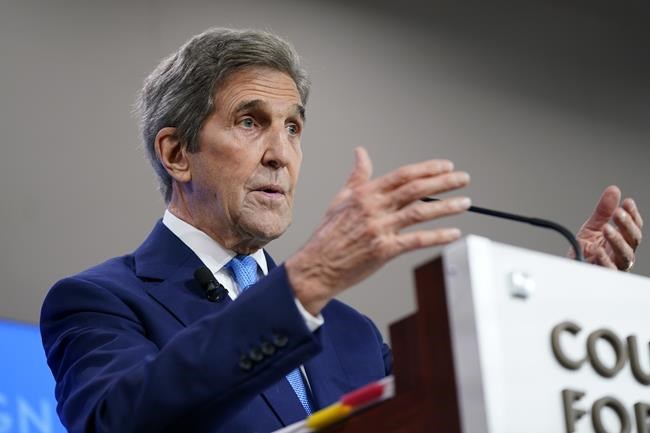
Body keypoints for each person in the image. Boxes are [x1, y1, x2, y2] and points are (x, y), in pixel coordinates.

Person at [40, 28, 643, 433]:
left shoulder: (352, 334)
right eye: (250, 122)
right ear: (177, 153)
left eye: (293, 128)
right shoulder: (99, 301)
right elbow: (117, 421)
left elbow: (472, 409)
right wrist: (308, 281)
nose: (280, 154)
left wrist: (570, 303)